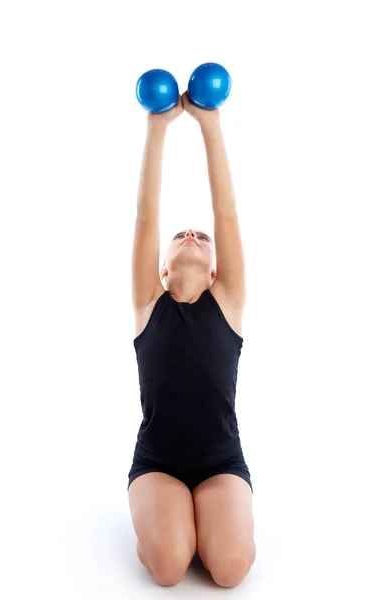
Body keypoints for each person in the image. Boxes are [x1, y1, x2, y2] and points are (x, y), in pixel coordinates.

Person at [127, 91, 256, 588]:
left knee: (227, 570)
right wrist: (157, 129)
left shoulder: (228, 300)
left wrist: (209, 124)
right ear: (163, 268)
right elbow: (146, 217)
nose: (190, 236)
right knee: (167, 568)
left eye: (201, 237)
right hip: (157, 462)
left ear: (215, 267)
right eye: (181, 234)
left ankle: (218, 523)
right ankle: (173, 523)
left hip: (220, 461)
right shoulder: (147, 302)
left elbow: (226, 209)